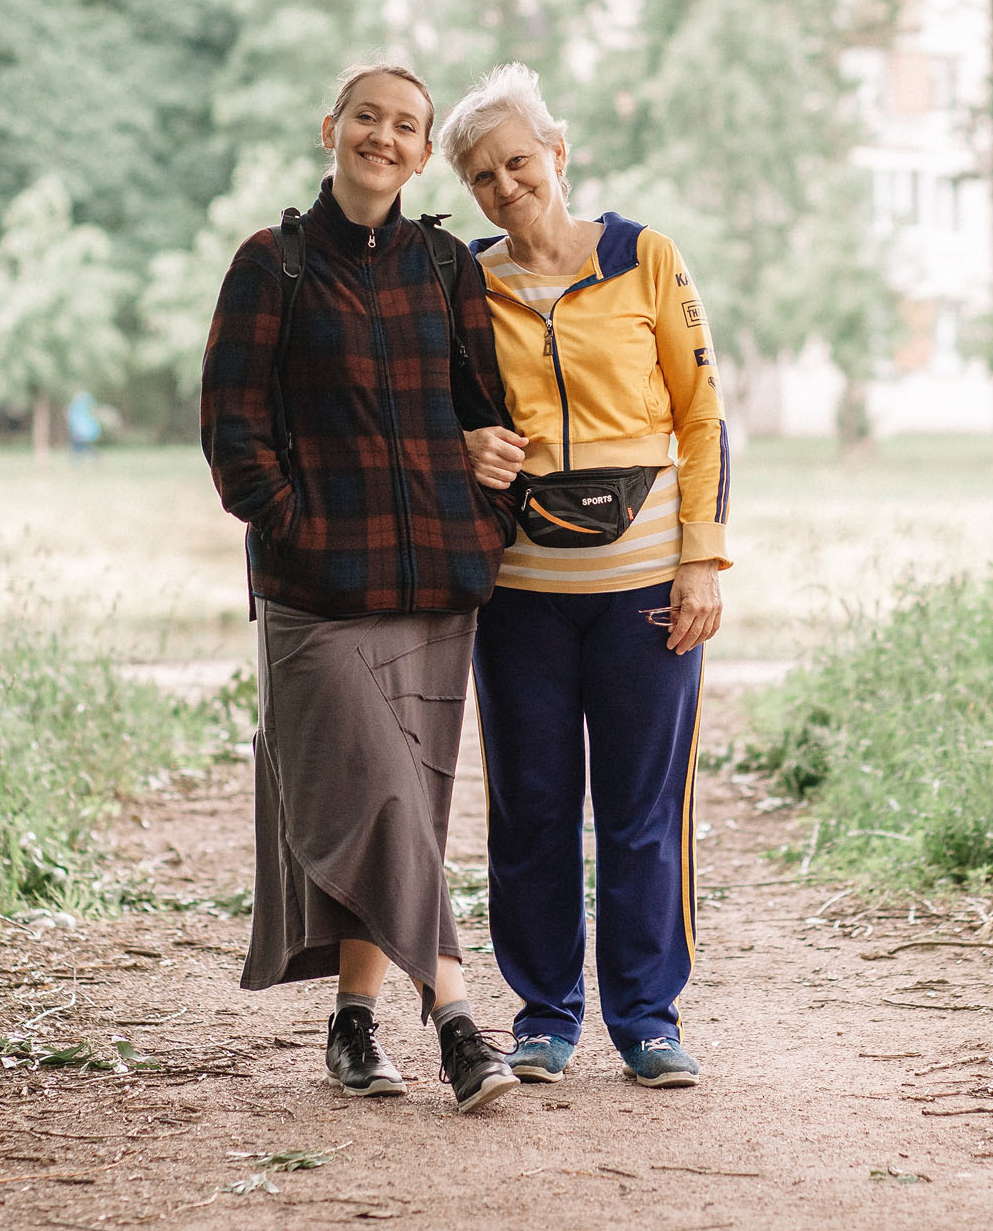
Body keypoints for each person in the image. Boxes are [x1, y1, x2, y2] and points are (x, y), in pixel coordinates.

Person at [200, 62, 522, 1115]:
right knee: (377, 795)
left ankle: (353, 1021)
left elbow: (487, 415)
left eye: (406, 127)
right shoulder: (271, 265)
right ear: (329, 127)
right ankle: (460, 1020)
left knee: (407, 806)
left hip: (433, 581)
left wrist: (484, 516)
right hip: (316, 593)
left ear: (424, 154)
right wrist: (296, 528)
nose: (384, 138)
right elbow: (233, 433)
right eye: (367, 118)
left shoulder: (443, 267)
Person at [438, 63, 731, 1091]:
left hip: (648, 585)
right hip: (518, 594)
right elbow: (437, 418)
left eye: (517, 160)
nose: (504, 184)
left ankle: (648, 1018)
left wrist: (702, 558)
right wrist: (469, 444)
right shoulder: (463, 283)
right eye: (480, 174)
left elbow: (702, 417)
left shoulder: (645, 257)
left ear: (558, 154)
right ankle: (545, 1016)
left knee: (643, 810)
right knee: (530, 803)